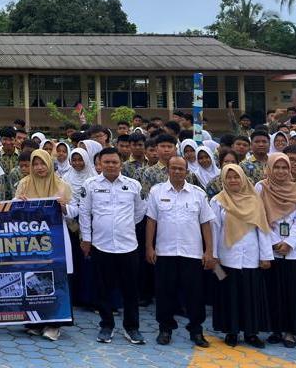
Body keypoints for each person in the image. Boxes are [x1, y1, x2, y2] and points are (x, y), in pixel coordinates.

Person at [145, 156, 215, 347]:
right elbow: (151, 221)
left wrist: (209, 251)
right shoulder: (156, 191)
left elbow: (206, 223)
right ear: (167, 170)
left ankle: (196, 330)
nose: (177, 171)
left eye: (181, 169)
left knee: (195, 294)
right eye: (173, 168)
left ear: (187, 171)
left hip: (191, 253)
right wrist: (149, 247)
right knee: (164, 293)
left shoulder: (198, 194)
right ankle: (165, 329)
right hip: (165, 252)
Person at [79, 147, 146, 346]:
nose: (110, 165)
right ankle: (106, 325)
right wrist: (86, 239)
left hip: (128, 246)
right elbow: (84, 213)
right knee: (103, 289)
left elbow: (140, 212)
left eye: (114, 162)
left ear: (121, 164)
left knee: (131, 290)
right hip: (101, 245)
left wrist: (122, 227)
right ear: (100, 164)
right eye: (106, 162)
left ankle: (131, 327)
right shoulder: (90, 185)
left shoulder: (133, 185)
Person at [14, 148, 77, 342]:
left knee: (56, 280)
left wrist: (63, 207)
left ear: (49, 164)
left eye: (43, 163)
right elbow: (13, 210)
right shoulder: (24, 184)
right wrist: (18, 202)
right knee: (34, 279)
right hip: (32, 242)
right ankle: (36, 322)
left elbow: (74, 210)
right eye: (35, 164)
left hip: (56, 241)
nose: (39, 167)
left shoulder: (62, 185)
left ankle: (54, 324)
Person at [209, 164, 271, 348]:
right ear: (223, 179)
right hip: (226, 257)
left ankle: (251, 333)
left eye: (236, 177)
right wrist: (213, 256)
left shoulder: (255, 200)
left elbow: (263, 229)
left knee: (251, 296)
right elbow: (214, 229)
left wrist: (265, 256)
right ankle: (231, 331)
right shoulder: (218, 201)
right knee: (228, 295)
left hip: (251, 256)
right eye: (229, 177)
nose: (233, 180)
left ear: (243, 178)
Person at [256, 153, 296, 347]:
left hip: (293, 251)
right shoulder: (261, 187)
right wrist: (275, 242)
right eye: (276, 167)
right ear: (270, 168)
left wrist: (289, 242)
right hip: (270, 248)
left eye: (284, 167)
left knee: (292, 292)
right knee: (273, 291)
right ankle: (276, 329)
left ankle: (290, 331)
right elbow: (259, 216)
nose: (280, 171)